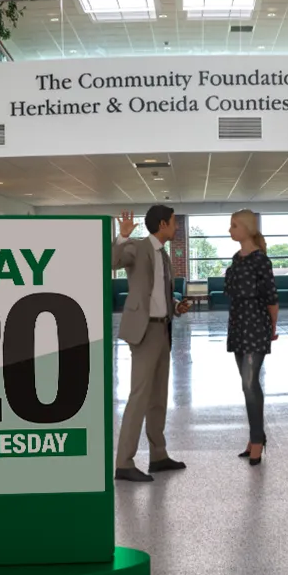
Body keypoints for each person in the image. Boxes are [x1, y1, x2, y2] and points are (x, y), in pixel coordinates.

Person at [114, 205, 193, 482]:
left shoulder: (164, 255)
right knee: (140, 396)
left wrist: (175, 305)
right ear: (162, 224)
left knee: (158, 396)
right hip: (144, 331)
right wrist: (122, 236)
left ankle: (158, 456)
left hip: (163, 328)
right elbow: (114, 262)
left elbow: (158, 293)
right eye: (173, 222)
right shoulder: (138, 247)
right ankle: (123, 462)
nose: (177, 227)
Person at [224, 209, 279, 466]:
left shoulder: (261, 261)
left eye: (234, 226)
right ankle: (255, 435)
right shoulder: (237, 259)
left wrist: (273, 327)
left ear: (246, 228)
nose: (230, 230)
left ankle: (257, 440)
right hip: (237, 326)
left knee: (249, 383)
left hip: (256, 326)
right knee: (248, 384)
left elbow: (271, 298)